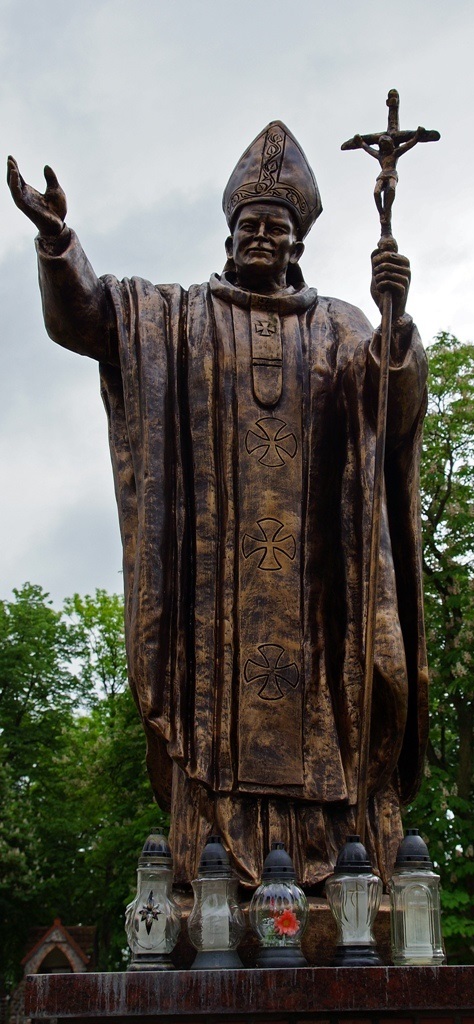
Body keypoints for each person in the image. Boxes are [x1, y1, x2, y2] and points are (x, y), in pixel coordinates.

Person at [7, 121, 428, 890]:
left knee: (338, 707)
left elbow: (388, 413)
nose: (261, 237)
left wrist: (394, 324)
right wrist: (58, 242)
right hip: (213, 600)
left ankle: (344, 866)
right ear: (229, 234)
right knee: (211, 729)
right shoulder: (177, 317)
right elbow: (92, 318)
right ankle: (211, 872)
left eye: (275, 227)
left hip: (317, 591)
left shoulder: (340, 325)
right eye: (249, 225)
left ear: (297, 241)